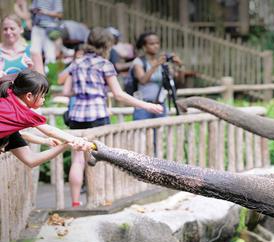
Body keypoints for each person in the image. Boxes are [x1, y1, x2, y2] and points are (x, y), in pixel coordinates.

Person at [63, 27, 163, 207]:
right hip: (98, 115)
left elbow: (66, 91)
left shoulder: (76, 63)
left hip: (77, 115)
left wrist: (84, 91)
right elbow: (119, 94)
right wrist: (147, 105)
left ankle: (76, 203)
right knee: (100, 156)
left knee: (78, 159)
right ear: (107, 45)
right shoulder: (104, 64)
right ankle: (99, 199)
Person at [0, 70, 91, 168]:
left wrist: (45, 141)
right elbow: (50, 131)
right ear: (29, 96)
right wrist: (74, 139)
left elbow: (21, 135)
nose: (44, 100)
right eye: (42, 96)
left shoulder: (8, 94)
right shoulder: (24, 114)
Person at [131, 31, 183, 121]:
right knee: (143, 133)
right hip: (143, 104)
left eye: (157, 43)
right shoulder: (139, 62)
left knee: (159, 133)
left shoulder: (163, 63)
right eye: (151, 44)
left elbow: (178, 81)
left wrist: (180, 66)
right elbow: (143, 80)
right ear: (144, 46)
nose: (156, 46)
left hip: (160, 104)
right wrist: (156, 65)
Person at [30, 0, 63, 66]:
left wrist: (45, 12)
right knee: (34, 52)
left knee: (50, 56)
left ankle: (50, 75)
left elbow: (60, 15)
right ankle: (36, 73)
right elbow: (32, 9)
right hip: (37, 27)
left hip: (49, 30)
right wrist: (35, 10)